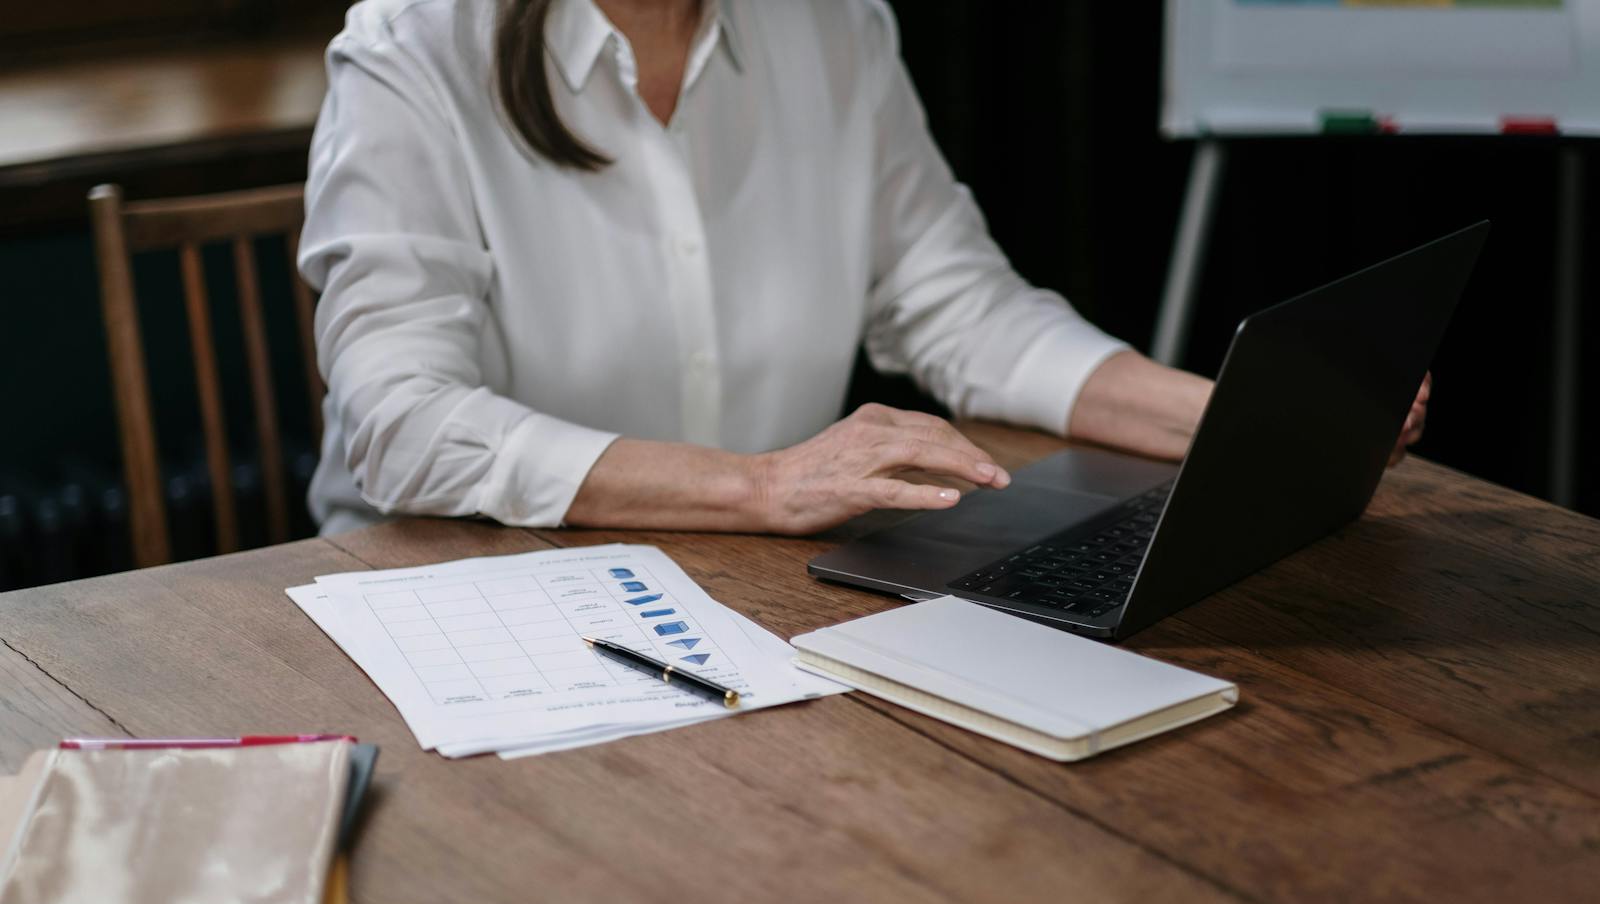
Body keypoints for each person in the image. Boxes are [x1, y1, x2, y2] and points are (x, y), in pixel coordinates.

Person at [300, 0, 1428, 536]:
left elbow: (961, 309)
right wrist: (758, 484)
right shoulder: (409, 51)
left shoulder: (835, 28)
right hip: (447, 598)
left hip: (742, 603)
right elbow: (397, 423)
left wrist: (1231, 415)